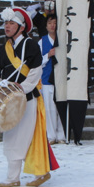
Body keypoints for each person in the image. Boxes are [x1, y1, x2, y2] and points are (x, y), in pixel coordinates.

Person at [0, 7, 59, 187]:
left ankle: (28, 175)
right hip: (10, 100)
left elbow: (36, 72)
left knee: (23, 137)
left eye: (11, 23)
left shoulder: (30, 45)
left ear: (21, 27)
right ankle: (14, 177)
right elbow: (1, 73)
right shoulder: (3, 49)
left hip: (27, 98)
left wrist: (20, 89)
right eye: (6, 23)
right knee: (11, 135)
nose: (7, 26)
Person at [38, 13, 65, 144]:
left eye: (54, 23)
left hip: (61, 79)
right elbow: (37, 62)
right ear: (46, 25)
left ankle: (61, 135)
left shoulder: (63, 40)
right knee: (49, 108)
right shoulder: (42, 41)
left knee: (61, 106)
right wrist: (48, 55)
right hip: (47, 78)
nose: (52, 25)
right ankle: (51, 135)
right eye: (50, 23)